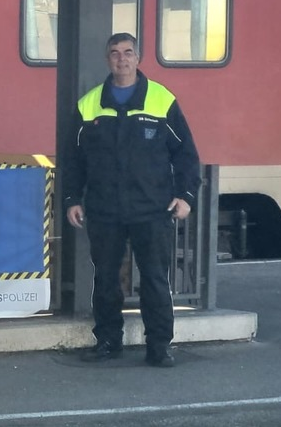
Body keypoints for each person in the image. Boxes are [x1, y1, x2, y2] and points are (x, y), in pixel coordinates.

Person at [62, 32, 201, 368]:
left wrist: (185, 196)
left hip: (152, 209)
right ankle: (108, 341)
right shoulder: (89, 104)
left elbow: (186, 154)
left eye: (127, 53)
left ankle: (159, 346)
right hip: (104, 209)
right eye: (114, 53)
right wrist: (71, 199)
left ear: (138, 58)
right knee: (106, 278)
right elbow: (73, 160)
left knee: (155, 278)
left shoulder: (162, 100)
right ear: (107, 59)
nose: (121, 59)